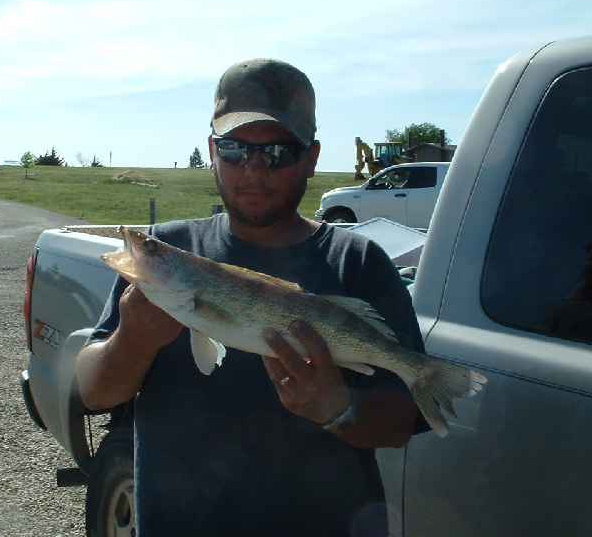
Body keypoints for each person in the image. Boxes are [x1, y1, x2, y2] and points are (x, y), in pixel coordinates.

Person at [77, 58, 427, 536]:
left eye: (279, 152)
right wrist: (132, 340)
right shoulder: (166, 258)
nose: (254, 168)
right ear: (211, 151)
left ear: (311, 157)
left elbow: (406, 416)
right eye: (235, 148)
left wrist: (342, 407)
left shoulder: (358, 261)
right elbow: (94, 391)